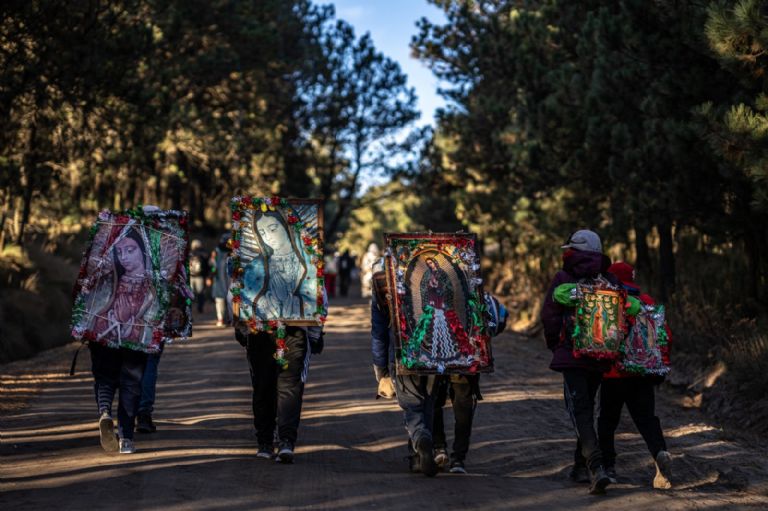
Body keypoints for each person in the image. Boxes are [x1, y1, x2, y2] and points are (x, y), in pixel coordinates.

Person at [540, 229, 617, 494]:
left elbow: (549, 315)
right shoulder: (610, 280)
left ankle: (596, 467)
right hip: (601, 355)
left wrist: (555, 345)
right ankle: (580, 467)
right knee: (587, 407)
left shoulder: (564, 278)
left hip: (572, 355)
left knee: (579, 410)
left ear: (574, 251)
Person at [598, 261, 673, 489]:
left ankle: (608, 467)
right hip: (643, 373)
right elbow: (665, 336)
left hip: (613, 375)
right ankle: (659, 454)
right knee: (647, 419)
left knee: (607, 421)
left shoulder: (609, 300)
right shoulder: (647, 302)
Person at [235, 292, 327, 463]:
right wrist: (315, 334)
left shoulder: (252, 270)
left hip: (259, 331)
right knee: (290, 388)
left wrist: (242, 329)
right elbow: (318, 293)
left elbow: (235, 294)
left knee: (262, 386)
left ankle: (265, 443)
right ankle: (286, 442)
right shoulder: (303, 270)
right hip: (295, 330)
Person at [88, 226, 155, 455]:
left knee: (108, 378)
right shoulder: (147, 284)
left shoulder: (150, 287)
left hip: (123, 336)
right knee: (130, 383)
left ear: (143, 251)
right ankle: (125, 437)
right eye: (119, 251)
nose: (124, 257)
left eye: (130, 250)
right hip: (118, 337)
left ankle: (105, 412)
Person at [371, 267, 439, 477]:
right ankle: (418, 457)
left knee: (412, 406)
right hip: (436, 351)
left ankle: (421, 440)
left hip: (403, 352)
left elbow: (379, 331)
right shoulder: (432, 270)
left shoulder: (382, 277)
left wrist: (381, 369)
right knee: (428, 404)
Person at [432, 292, 508, 474]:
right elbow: (498, 319)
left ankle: (439, 448)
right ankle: (458, 458)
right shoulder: (475, 289)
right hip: (467, 355)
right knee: (463, 405)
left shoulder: (432, 288)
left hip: (434, 354)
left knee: (434, 400)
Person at [245, 210, 314, 319]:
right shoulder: (256, 265)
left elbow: (313, 296)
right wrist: (266, 303)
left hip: (299, 324)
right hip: (268, 324)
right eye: (262, 233)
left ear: (287, 227)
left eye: (273, 229)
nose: (268, 237)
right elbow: (246, 293)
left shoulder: (309, 262)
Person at [210, 234, 232, 326]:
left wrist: (211, 275)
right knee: (228, 299)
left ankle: (222, 319)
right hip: (225, 278)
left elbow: (212, 265)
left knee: (221, 300)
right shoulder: (233, 251)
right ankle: (228, 319)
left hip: (221, 278)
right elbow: (212, 265)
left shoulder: (216, 251)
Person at [189, 239, 210, 314]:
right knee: (200, 293)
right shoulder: (204, 253)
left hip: (191, 276)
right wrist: (207, 276)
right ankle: (200, 308)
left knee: (189, 293)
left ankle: (188, 307)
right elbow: (208, 266)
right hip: (200, 276)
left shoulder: (190, 253)